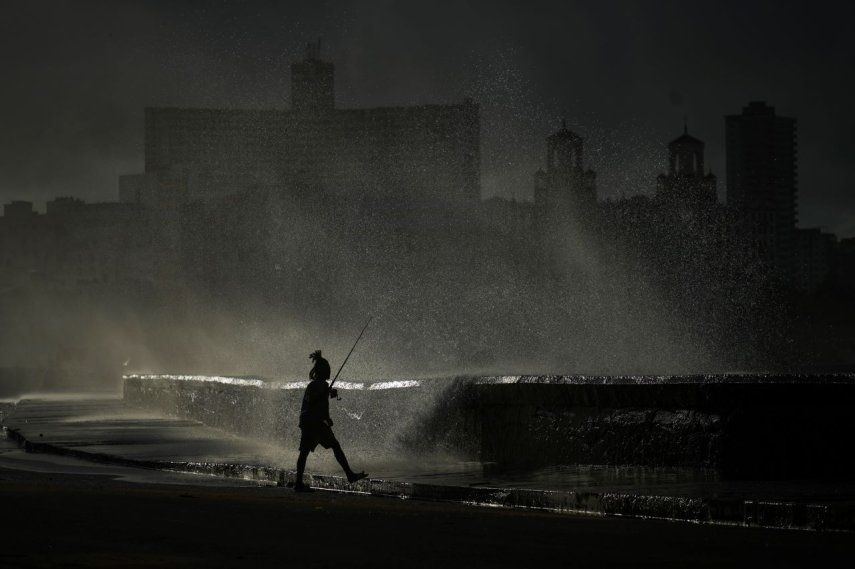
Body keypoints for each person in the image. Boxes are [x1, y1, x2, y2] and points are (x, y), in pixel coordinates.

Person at [293, 350, 367, 492]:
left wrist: (327, 397)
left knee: (304, 452)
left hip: (308, 421)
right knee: (334, 446)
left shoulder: (315, 385)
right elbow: (317, 403)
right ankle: (350, 475)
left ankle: (298, 483)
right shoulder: (320, 385)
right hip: (315, 423)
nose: (329, 371)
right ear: (323, 371)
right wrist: (326, 417)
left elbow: (316, 403)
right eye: (328, 369)